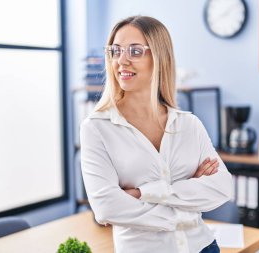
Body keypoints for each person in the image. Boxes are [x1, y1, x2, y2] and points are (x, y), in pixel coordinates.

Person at [80, 15, 232, 253]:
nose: (122, 60)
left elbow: (222, 187)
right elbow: (106, 207)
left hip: (203, 247)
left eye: (135, 51)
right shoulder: (96, 128)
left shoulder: (189, 124)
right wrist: (185, 202)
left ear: (160, 57)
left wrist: (142, 193)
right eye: (116, 51)